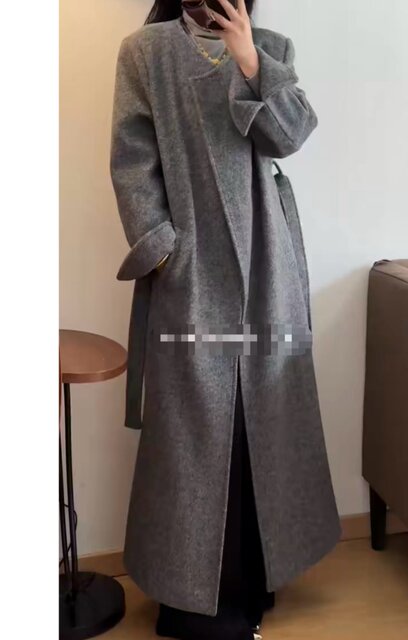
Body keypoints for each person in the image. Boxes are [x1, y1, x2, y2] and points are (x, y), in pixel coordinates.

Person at [110, 1, 342, 639]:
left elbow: (290, 137)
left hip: (268, 267)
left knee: (259, 423)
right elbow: (131, 162)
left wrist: (250, 60)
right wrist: (166, 251)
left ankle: (253, 587)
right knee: (195, 432)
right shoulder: (146, 52)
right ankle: (193, 604)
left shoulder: (272, 46)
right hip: (192, 274)